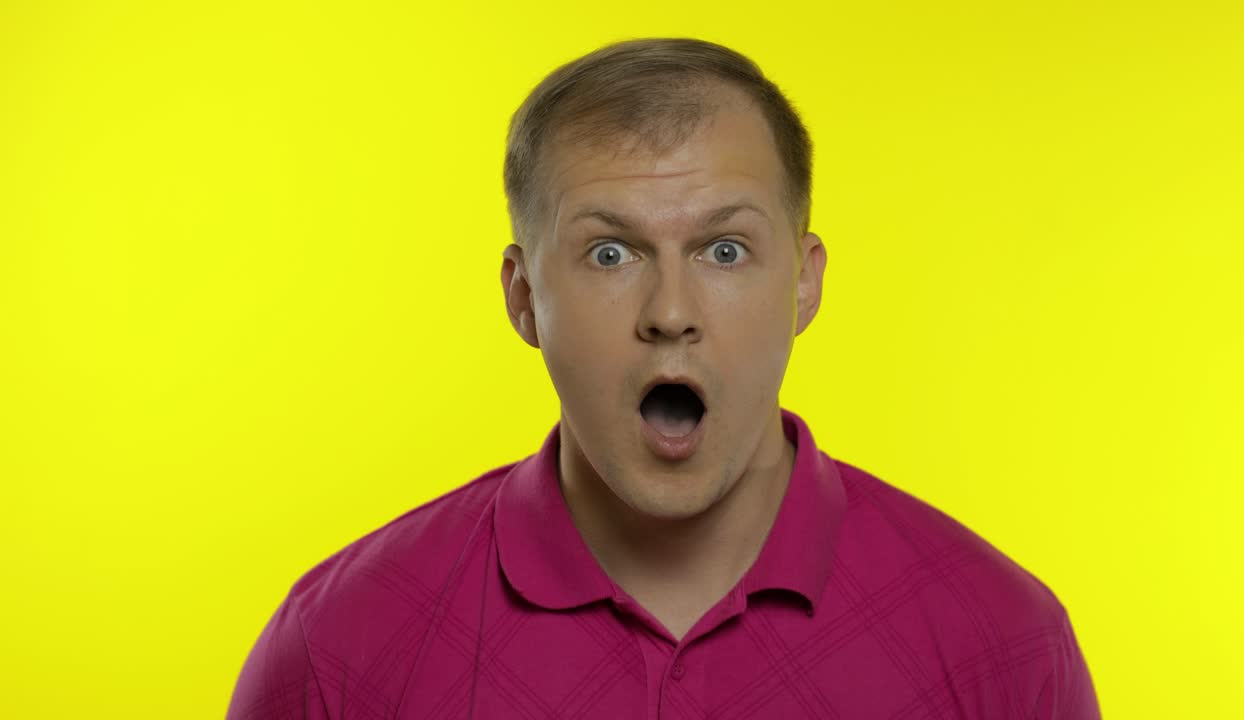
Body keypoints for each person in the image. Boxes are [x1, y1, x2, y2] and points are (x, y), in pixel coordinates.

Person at [227, 37, 1101, 719]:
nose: (671, 310)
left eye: (725, 250)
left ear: (803, 282)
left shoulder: (1001, 641)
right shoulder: (340, 645)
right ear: (525, 297)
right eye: (611, 253)